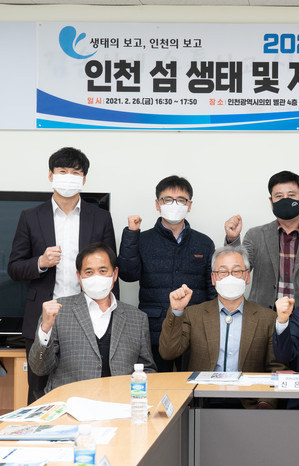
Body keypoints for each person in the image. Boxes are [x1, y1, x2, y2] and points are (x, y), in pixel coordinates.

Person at [8, 147, 117, 403]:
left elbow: (111, 269)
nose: (69, 177)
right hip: (45, 315)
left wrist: (111, 315)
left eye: (75, 173)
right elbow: (14, 267)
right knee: (38, 391)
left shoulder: (100, 218)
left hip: (90, 314)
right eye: (62, 171)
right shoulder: (30, 217)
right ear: (51, 175)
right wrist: (41, 262)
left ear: (84, 179)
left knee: (90, 388)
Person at [159, 245, 284, 408]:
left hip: (249, 405)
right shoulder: (194, 314)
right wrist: (176, 311)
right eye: (223, 272)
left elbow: (276, 367)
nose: (229, 277)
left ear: (247, 277)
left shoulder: (267, 318)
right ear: (213, 278)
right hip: (202, 403)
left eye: (237, 271)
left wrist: (265, 402)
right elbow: (168, 352)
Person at [117, 175, 216, 372]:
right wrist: (131, 234)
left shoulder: (204, 243)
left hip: (195, 326)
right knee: (156, 383)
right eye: (168, 199)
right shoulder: (143, 239)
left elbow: (211, 287)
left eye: (181, 200)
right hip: (154, 327)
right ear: (157, 204)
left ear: (189, 205)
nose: (174, 205)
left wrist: (212, 324)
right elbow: (128, 274)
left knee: (193, 383)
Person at [28, 243, 155, 395]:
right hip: (69, 403)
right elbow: (39, 369)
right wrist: (45, 329)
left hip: (120, 403)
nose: (96, 277)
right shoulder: (58, 312)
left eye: (103, 271)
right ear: (79, 277)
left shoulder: (137, 318)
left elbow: (147, 370)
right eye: (89, 272)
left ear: (115, 274)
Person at [223, 170, 299, 309]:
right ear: (271, 202)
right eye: (279, 196)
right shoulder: (255, 235)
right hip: (263, 315)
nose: (285, 200)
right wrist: (233, 239)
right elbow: (236, 271)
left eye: (291, 195)